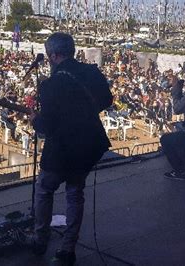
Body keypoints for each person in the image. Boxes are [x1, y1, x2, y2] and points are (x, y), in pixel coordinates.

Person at [28, 33, 112, 265]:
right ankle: (67, 249)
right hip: (88, 145)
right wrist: (84, 110)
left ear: (54, 55)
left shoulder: (50, 85)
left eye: (48, 56)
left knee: (44, 190)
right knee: (75, 194)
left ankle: (40, 239)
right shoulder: (92, 72)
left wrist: (34, 119)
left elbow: (45, 127)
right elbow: (108, 100)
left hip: (61, 148)